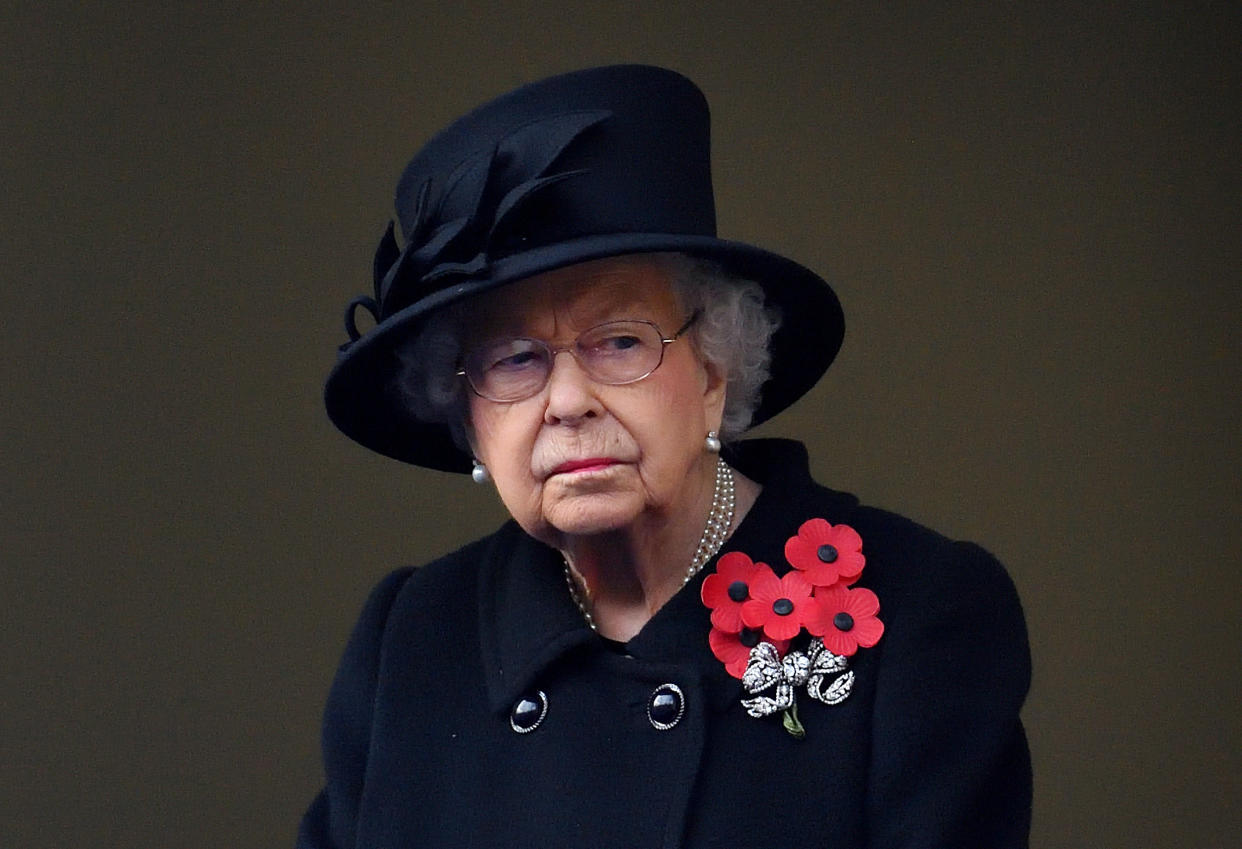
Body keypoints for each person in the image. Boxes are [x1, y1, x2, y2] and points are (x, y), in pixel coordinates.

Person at [298, 65, 1031, 849]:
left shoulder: (922, 613)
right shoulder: (410, 641)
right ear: (470, 419)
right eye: (515, 359)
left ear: (716, 371)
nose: (568, 399)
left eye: (618, 341)